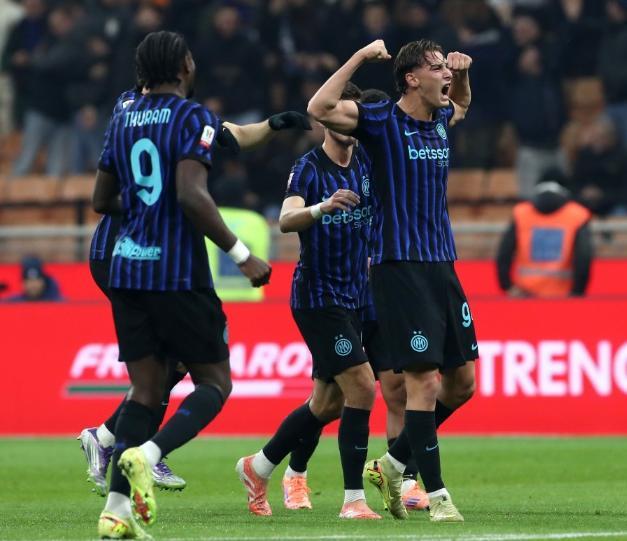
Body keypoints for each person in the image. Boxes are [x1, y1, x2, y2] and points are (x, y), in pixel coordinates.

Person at [92, 31, 309, 539]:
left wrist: (145, 208)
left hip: (126, 270)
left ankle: (116, 511)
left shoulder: (122, 117)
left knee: (145, 391)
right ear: (185, 66)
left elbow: (102, 200)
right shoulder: (192, 116)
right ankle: (149, 455)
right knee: (214, 382)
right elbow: (192, 195)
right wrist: (242, 255)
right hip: (176, 272)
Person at [307, 38, 476, 522]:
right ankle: (436, 495)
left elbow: (462, 103)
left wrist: (462, 74)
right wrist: (360, 57)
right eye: (437, 67)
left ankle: (392, 463)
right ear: (411, 78)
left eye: (446, 67)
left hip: (442, 264)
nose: (446, 73)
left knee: (462, 384)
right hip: (398, 267)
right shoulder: (380, 121)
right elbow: (318, 107)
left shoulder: (439, 119)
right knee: (422, 381)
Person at [78, 87, 246, 497]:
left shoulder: (152, 114)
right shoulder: (145, 110)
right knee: (173, 366)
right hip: (129, 253)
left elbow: (232, 133)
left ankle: (116, 445)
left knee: (170, 365)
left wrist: (274, 125)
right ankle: (136, 449)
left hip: (138, 255)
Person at [236, 81, 382, 520]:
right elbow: (285, 220)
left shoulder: (367, 160)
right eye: (337, 115)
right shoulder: (308, 168)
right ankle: (353, 499)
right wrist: (322, 207)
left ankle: (259, 466)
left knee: (327, 403)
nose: (345, 124)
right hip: (319, 297)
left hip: (356, 295)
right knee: (362, 386)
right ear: (324, 119)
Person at [496, 173, 593, 298]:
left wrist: (507, 286)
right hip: (563, 295)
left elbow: (504, 252)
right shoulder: (578, 214)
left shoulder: (521, 212)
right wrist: (578, 291)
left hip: (526, 295)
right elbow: (583, 256)